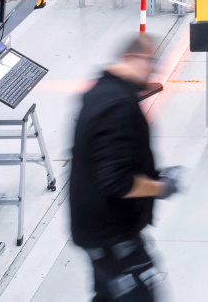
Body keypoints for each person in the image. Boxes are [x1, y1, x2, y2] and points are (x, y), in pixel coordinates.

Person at [70, 34, 180, 302]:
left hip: (97, 231)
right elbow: (117, 181)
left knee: (107, 296)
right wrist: (161, 187)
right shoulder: (118, 106)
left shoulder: (100, 91)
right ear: (131, 59)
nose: (155, 71)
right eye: (151, 63)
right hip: (113, 235)